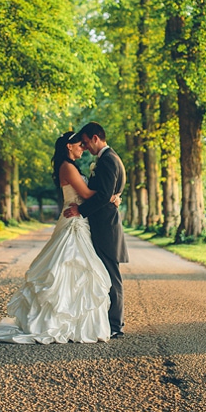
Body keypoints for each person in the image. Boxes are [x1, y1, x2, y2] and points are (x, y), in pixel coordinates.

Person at [0, 131, 120, 344]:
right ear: (69, 146)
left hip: (78, 221)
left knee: (79, 270)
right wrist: (111, 197)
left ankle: (74, 321)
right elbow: (86, 194)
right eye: (79, 145)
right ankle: (58, 322)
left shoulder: (72, 167)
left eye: (84, 145)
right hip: (72, 222)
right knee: (66, 266)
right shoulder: (68, 167)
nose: (82, 148)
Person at [62, 122, 127, 339]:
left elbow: (102, 194)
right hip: (103, 223)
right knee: (103, 273)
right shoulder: (109, 159)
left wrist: (80, 209)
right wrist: (111, 198)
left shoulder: (108, 160)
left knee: (111, 275)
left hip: (106, 226)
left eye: (87, 142)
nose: (86, 146)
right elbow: (106, 193)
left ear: (96, 138)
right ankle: (107, 320)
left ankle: (115, 324)